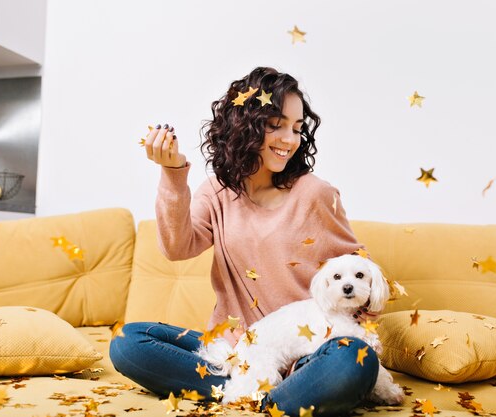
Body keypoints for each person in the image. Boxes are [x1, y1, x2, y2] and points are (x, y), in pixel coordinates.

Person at [109, 67, 381, 417]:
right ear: (245, 124)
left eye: (297, 129)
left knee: (352, 360)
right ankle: (262, 391)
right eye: (277, 124)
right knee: (127, 342)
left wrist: (340, 338)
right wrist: (172, 174)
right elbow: (177, 248)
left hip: (306, 354)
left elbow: (361, 276)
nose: (289, 139)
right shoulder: (217, 193)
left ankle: (266, 391)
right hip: (234, 350)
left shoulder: (315, 193)